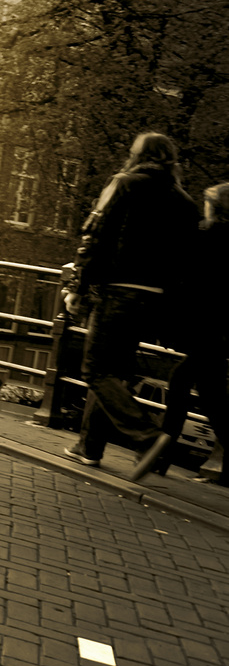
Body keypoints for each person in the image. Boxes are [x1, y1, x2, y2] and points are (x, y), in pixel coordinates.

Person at [63, 132, 200, 469]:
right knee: (115, 372)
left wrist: (77, 287)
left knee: (95, 369)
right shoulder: (185, 202)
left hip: (120, 291)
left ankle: (148, 437)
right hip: (155, 300)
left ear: (138, 156)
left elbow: (95, 235)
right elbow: (188, 260)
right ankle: (89, 446)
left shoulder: (123, 183)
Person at [130, 181, 229, 484]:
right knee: (206, 391)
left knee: (196, 386)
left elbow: (184, 273)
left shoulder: (207, 234)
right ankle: (162, 453)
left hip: (206, 325)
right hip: (219, 327)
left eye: (207, 202)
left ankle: (160, 452)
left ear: (215, 206)